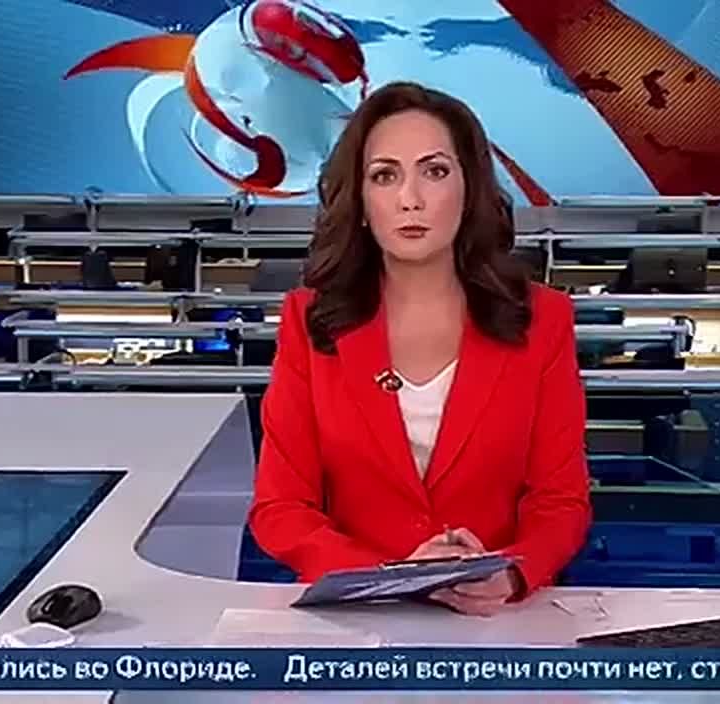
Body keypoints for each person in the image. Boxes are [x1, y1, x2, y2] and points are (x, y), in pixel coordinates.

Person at [247, 81, 591, 616]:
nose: (410, 199)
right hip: (362, 619)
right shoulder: (309, 320)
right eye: (385, 176)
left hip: (494, 620)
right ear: (361, 201)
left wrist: (511, 571)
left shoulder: (542, 319)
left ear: (470, 189)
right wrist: (390, 577)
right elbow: (281, 508)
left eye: (435, 171)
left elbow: (560, 500)